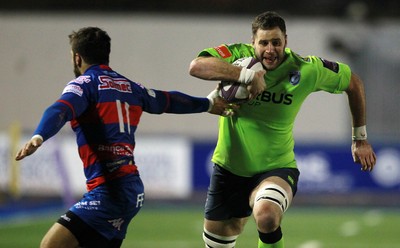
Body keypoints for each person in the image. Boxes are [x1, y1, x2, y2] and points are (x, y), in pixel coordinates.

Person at [15, 26, 231, 248]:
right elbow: (168, 101)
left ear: (77, 57)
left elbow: (60, 109)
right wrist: (208, 103)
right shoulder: (130, 87)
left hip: (108, 191)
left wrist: (39, 135)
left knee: (50, 245)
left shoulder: (84, 85)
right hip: (131, 189)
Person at [189, 11, 377, 248]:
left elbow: (353, 83)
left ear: (285, 42)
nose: (270, 49)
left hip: (276, 167)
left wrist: (360, 138)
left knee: (267, 216)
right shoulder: (238, 56)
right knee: (217, 243)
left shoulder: (306, 68)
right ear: (252, 43)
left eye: (276, 42)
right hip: (228, 169)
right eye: (264, 43)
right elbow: (197, 66)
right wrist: (247, 76)